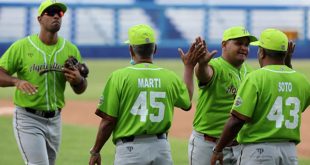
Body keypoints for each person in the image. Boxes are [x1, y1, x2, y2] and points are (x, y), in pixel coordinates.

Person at [88, 24, 205, 165]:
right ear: (154, 49)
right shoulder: (169, 76)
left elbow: (108, 121)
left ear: (131, 49)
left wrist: (96, 150)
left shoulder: (119, 77)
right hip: (162, 150)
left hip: (130, 151)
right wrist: (189, 67)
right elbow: (187, 102)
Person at [0, 0, 87, 164]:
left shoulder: (70, 50)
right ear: (39, 19)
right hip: (28, 118)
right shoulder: (22, 47)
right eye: (51, 12)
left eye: (59, 13)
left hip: (55, 120)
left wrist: (78, 81)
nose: (56, 16)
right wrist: (15, 81)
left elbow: (81, 88)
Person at [211, 28, 310, 165]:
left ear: (262, 52)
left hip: (258, 153)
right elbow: (299, 106)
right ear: (286, 53)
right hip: (290, 153)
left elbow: (237, 120)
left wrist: (218, 149)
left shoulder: (255, 78)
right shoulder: (301, 80)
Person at [188, 26, 257, 165]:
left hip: (239, 147)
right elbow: (205, 74)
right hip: (208, 145)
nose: (244, 48)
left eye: (246, 44)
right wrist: (201, 65)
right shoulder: (215, 66)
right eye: (238, 43)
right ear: (224, 45)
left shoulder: (250, 72)